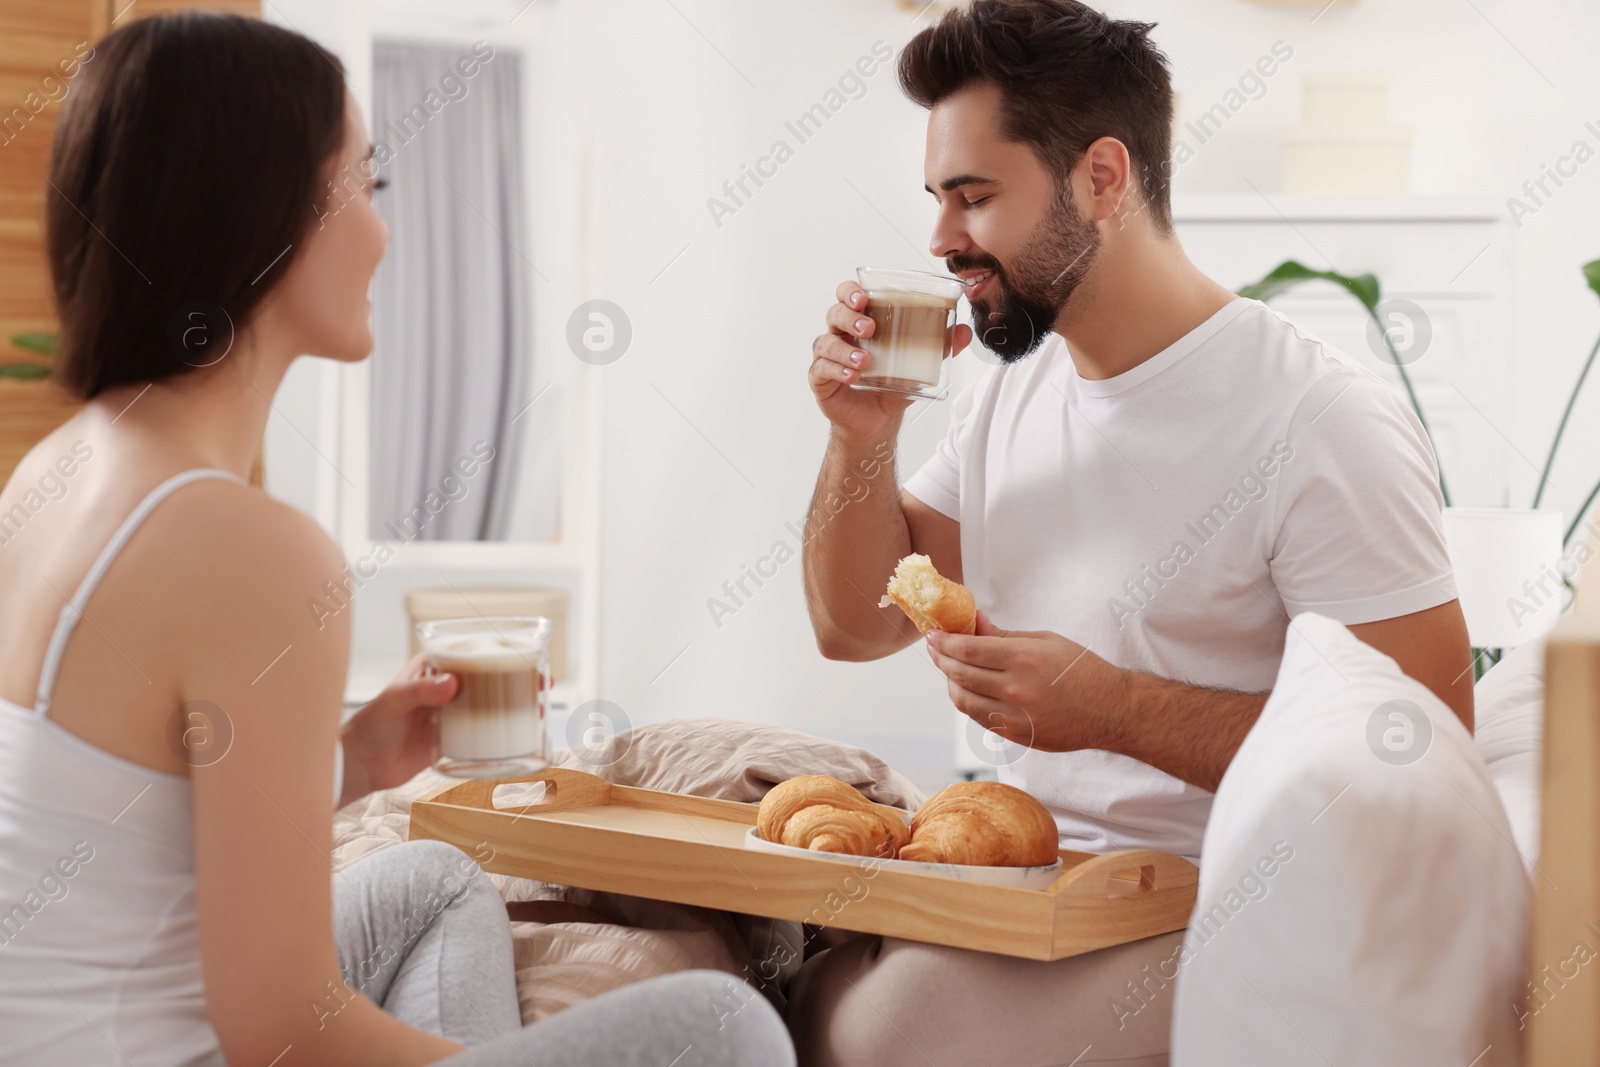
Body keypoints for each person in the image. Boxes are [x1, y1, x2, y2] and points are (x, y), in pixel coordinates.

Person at [0, 12, 793, 1067]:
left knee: (436, 878)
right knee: (722, 1024)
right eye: (365, 186)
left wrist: (350, 760)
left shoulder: (62, 465)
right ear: (264, 211)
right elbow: (279, 1027)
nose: (381, 231)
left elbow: (119, 815)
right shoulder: (247, 549)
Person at [791, 1, 1471, 1063]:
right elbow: (851, 623)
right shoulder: (1009, 395)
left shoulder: (1314, 417)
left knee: (882, 1030)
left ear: (1102, 178)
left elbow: (1419, 750)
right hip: (1024, 880)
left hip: (1211, 905)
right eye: (936, 200)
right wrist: (860, 437)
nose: (939, 240)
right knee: (733, 943)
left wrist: (1110, 708)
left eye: (973, 197)